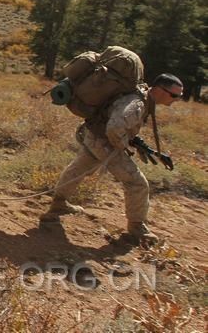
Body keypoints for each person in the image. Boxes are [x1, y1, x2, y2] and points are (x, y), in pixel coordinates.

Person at [40, 73, 184, 245]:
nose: (177, 99)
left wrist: (133, 141)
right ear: (160, 90)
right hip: (104, 142)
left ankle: (58, 204)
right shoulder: (137, 103)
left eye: (179, 96)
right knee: (137, 183)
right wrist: (122, 146)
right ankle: (137, 228)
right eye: (174, 95)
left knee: (78, 168)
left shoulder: (142, 97)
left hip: (94, 136)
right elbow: (115, 128)